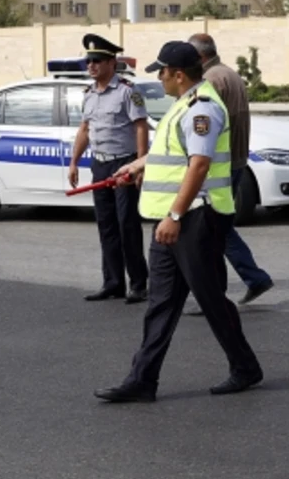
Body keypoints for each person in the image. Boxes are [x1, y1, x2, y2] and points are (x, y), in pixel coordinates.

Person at [94, 41, 262, 403]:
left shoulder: (202, 108)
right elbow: (172, 152)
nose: (159, 77)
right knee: (161, 303)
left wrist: (174, 216)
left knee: (210, 298)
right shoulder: (183, 105)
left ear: (179, 74)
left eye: (162, 71)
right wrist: (137, 165)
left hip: (195, 218)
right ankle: (142, 379)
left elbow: (199, 165)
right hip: (175, 219)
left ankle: (245, 366)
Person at [181, 33, 274, 313]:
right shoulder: (229, 74)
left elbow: (204, 128)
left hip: (217, 166)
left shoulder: (210, 81)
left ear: (199, 58)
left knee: (211, 231)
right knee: (219, 229)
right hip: (233, 162)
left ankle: (219, 293)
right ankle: (251, 278)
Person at [69, 33, 149, 304]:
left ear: (112, 63)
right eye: (88, 61)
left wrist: (139, 166)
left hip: (124, 163)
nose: (91, 66)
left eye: (97, 60)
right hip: (100, 163)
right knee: (107, 226)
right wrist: (74, 162)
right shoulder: (89, 94)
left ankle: (138, 284)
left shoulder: (128, 91)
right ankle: (113, 282)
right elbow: (84, 129)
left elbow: (140, 128)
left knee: (127, 225)